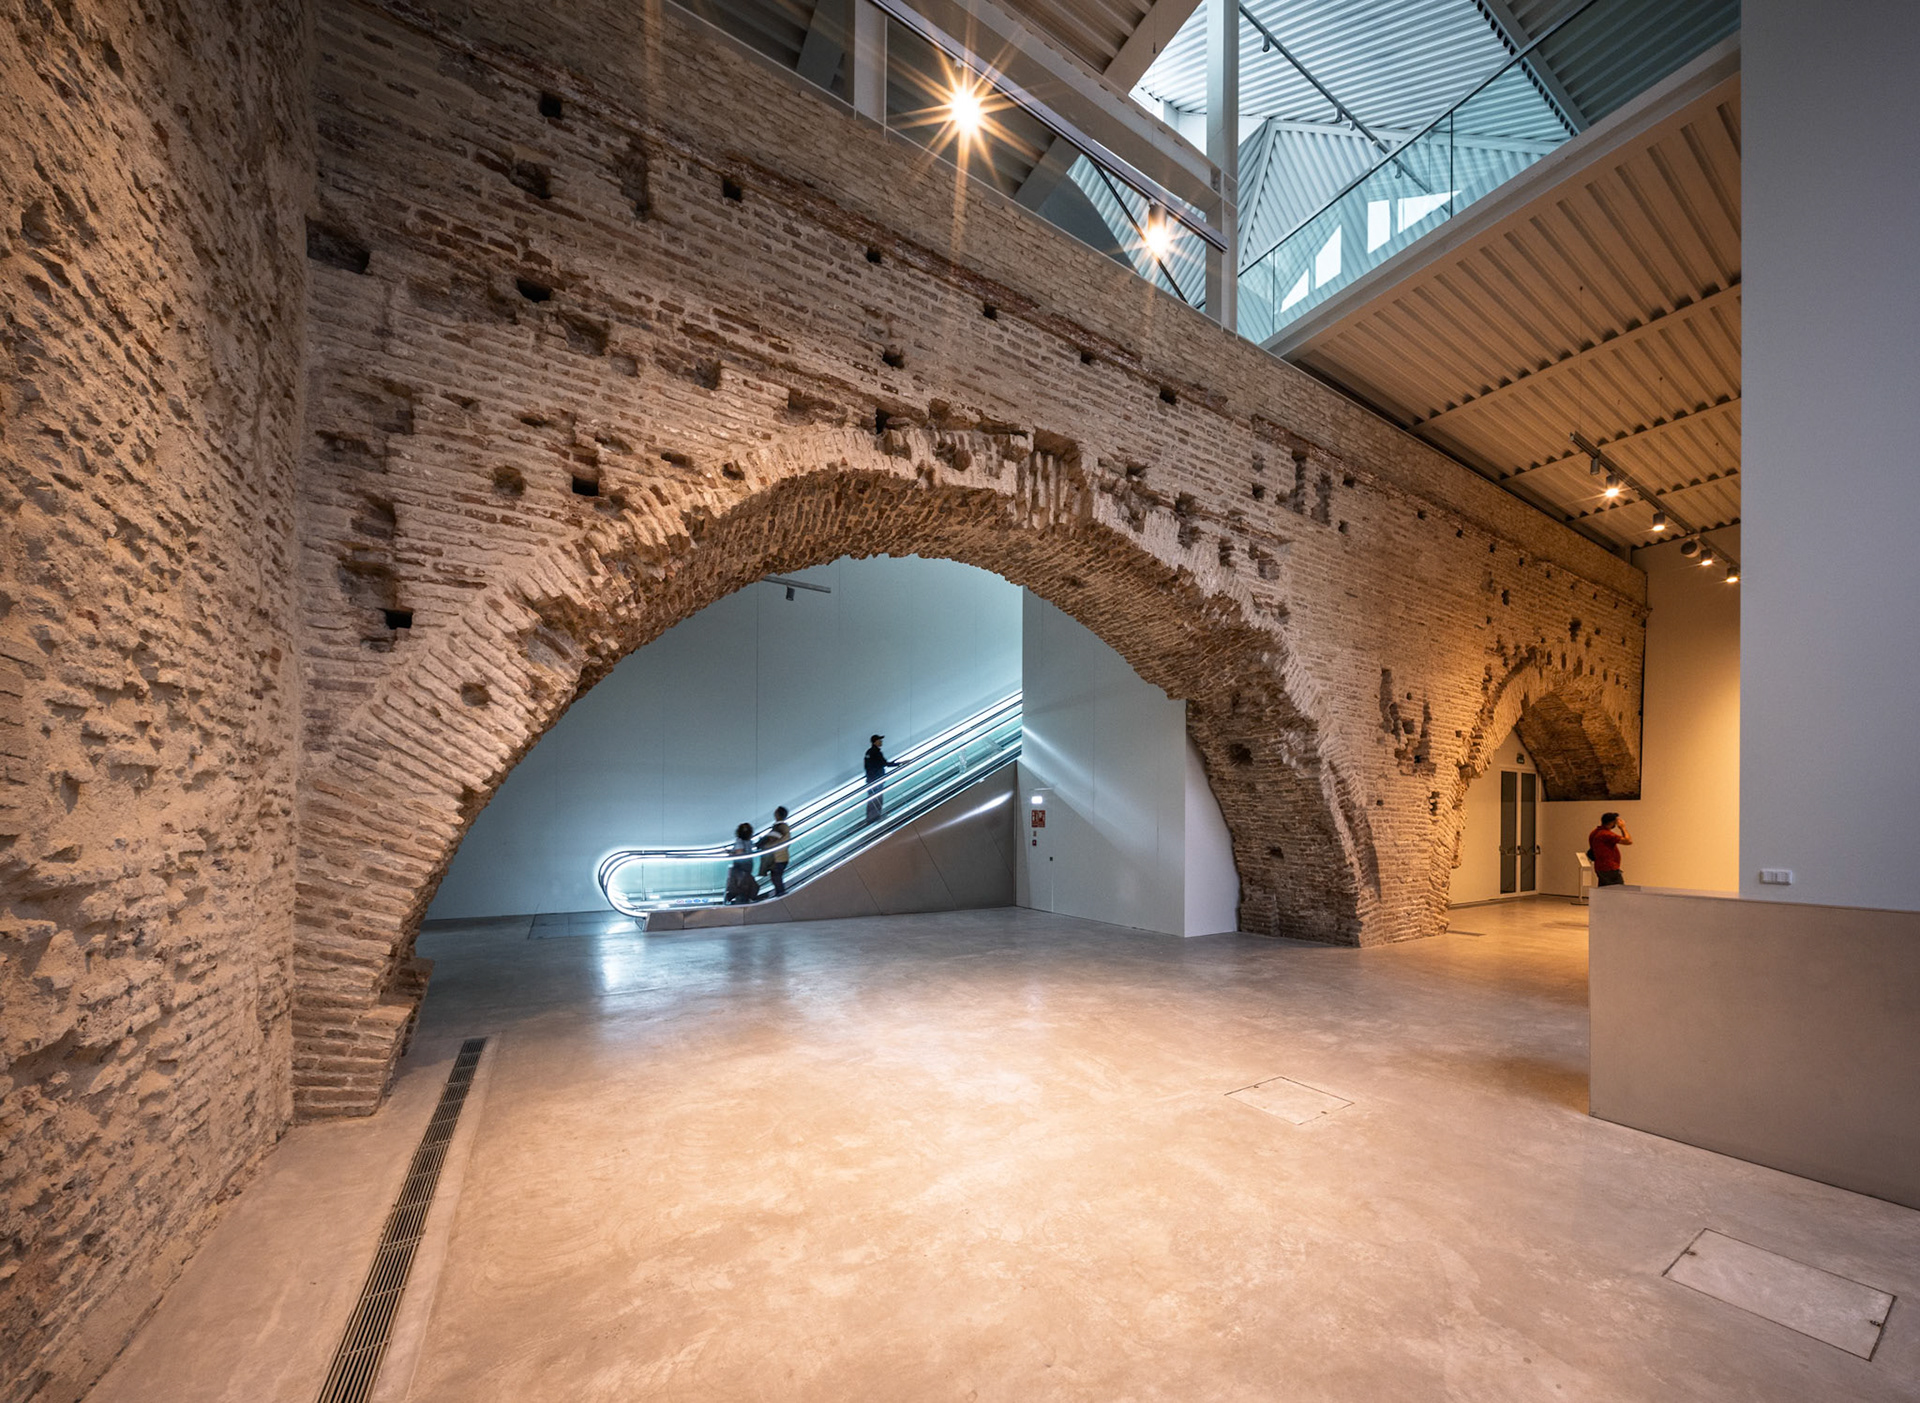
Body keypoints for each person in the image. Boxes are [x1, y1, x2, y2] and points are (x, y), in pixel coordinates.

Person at [864, 734, 903, 824]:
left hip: (871, 780)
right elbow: (885, 764)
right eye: (879, 740)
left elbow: (868, 766)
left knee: (871, 800)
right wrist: (899, 763)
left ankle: (869, 818)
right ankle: (875, 818)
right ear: (875, 742)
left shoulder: (869, 752)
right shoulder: (876, 753)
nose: (881, 742)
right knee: (878, 799)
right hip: (877, 780)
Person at [1587, 812, 1632, 887]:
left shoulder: (1595, 832)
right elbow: (1628, 841)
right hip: (1610, 868)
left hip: (1600, 867)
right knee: (1618, 892)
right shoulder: (1606, 834)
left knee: (1604, 892)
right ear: (1612, 822)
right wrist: (1623, 828)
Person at [757, 806, 791, 897]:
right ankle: (779, 893)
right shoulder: (778, 826)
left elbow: (782, 840)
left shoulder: (782, 827)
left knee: (776, 877)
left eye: (776, 812)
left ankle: (781, 894)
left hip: (779, 858)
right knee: (775, 877)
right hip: (777, 857)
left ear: (778, 814)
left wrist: (766, 846)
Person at [724, 821, 759, 903]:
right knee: (744, 884)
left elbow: (739, 852)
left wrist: (730, 853)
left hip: (740, 865)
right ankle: (744, 900)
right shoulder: (749, 841)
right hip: (749, 864)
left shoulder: (739, 840)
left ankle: (740, 902)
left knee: (739, 884)